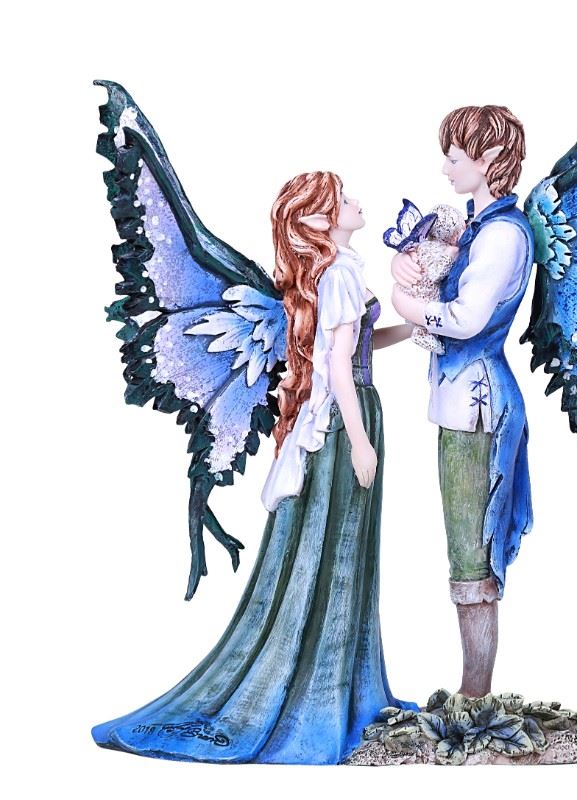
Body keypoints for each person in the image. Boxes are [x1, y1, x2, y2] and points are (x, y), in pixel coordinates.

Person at [92, 171, 414, 764]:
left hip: (344, 411)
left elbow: (353, 347)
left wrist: (413, 328)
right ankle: (319, 694)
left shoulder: (336, 272)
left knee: (344, 544)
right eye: (342, 199)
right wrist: (361, 441)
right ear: (318, 221)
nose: (356, 203)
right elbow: (339, 369)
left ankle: (339, 684)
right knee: (337, 544)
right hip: (344, 418)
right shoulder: (339, 275)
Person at [391, 106, 535, 698]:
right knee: (464, 551)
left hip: (478, 407)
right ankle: (473, 693)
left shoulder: (502, 235)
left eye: (455, 156)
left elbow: (466, 318)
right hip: (461, 402)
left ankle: (475, 697)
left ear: (489, 158)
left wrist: (408, 306)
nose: (446, 167)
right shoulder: (478, 228)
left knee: (472, 559)